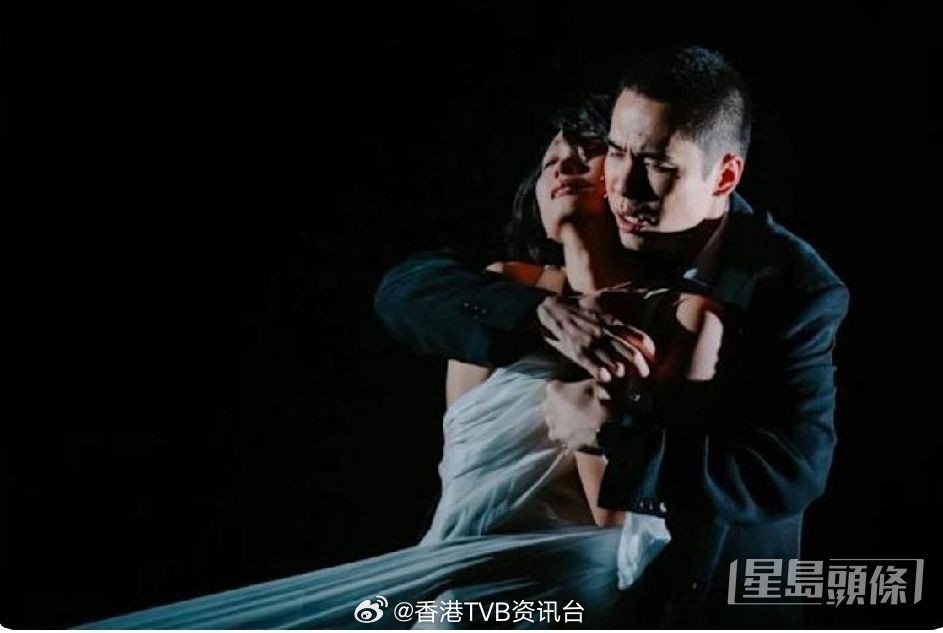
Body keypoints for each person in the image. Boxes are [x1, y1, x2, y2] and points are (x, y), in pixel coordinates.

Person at [77, 98, 677, 630]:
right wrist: (550, 316)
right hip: (456, 574)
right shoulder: (499, 292)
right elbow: (408, 293)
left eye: (586, 152)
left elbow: (614, 517)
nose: (563, 166)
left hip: (567, 589)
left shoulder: (669, 314)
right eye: (549, 162)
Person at [374, 46, 851, 628]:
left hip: (707, 597)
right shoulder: (555, 257)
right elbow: (408, 291)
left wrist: (622, 442)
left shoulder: (789, 288)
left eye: (657, 164)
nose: (625, 185)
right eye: (618, 152)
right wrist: (545, 315)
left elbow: (788, 470)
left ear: (725, 175)